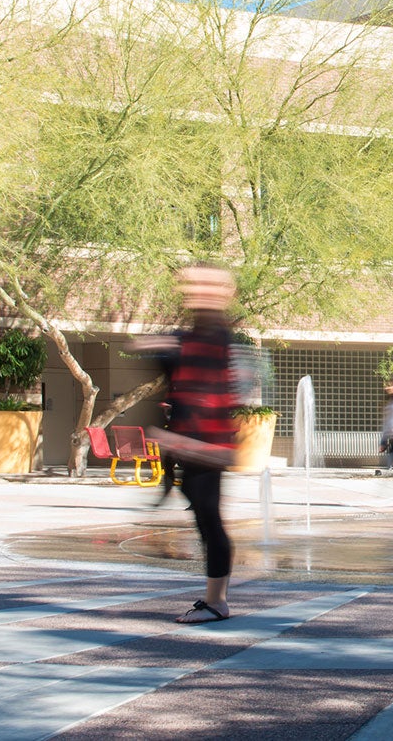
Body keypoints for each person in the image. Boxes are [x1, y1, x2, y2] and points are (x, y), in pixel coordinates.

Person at [134, 263, 240, 624]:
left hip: (207, 447)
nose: (195, 289)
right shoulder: (196, 335)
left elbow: (213, 394)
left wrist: (182, 439)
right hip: (195, 445)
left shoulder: (216, 338)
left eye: (206, 284)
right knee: (203, 516)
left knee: (209, 520)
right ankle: (216, 598)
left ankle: (217, 602)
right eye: (191, 284)